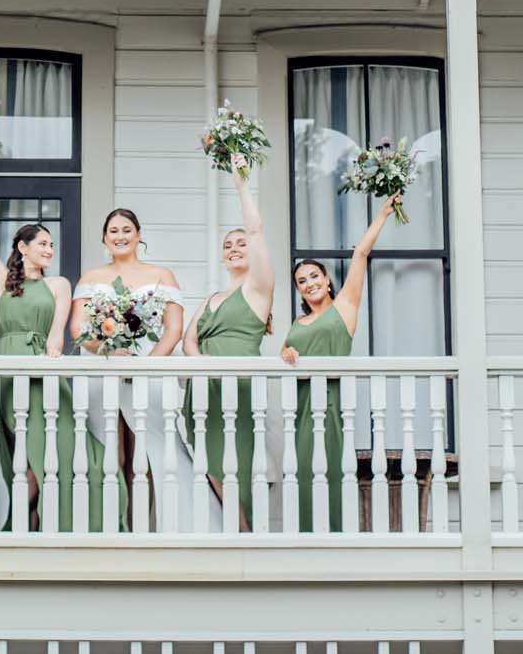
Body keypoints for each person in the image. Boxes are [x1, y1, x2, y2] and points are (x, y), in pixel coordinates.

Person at [0, 152, 112, 530]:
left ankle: (40, 526)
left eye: (51, 245)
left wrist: (53, 351)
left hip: (44, 373)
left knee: (67, 455)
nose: (48, 249)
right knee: (27, 456)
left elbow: (57, 333)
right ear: (23, 247)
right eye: (41, 243)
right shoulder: (0, 281)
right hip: (9, 374)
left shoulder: (57, 284)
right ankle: (27, 526)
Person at [71, 208, 215, 531]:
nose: (120, 236)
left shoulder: (162, 275)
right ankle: (114, 527)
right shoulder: (91, 278)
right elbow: (78, 329)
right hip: (103, 372)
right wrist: (107, 348)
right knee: (114, 456)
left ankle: (143, 528)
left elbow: (173, 330)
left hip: (149, 371)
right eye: (113, 231)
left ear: (138, 234)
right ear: (104, 238)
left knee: (146, 455)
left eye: (126, 230)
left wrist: (145, 366)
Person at [280, 194, 399, 531]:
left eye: (314, 276)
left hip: (330, 401)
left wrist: (382, 214)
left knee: (329, 468)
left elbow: (360, 254)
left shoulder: (343, 308)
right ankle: (302, 539)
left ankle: (332, 536)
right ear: (299, 291)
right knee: (302, 470)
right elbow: (285, 352)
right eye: (302, 281)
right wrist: (286, 354)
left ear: (327, 280)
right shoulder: (296, 323)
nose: (309, 283)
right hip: (300, 404)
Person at [182, 153, 275, 528]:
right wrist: (204, 366)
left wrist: (239, 181)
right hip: (206, 390)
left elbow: (255, 231)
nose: (235, 248)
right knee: (211, 463)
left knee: (238, 463)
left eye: (240, 244)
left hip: (238, 388)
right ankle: (236, 527)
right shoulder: (210, 298)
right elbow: (189, 342)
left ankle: (247, 530)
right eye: (228, 246)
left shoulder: (258, 289)